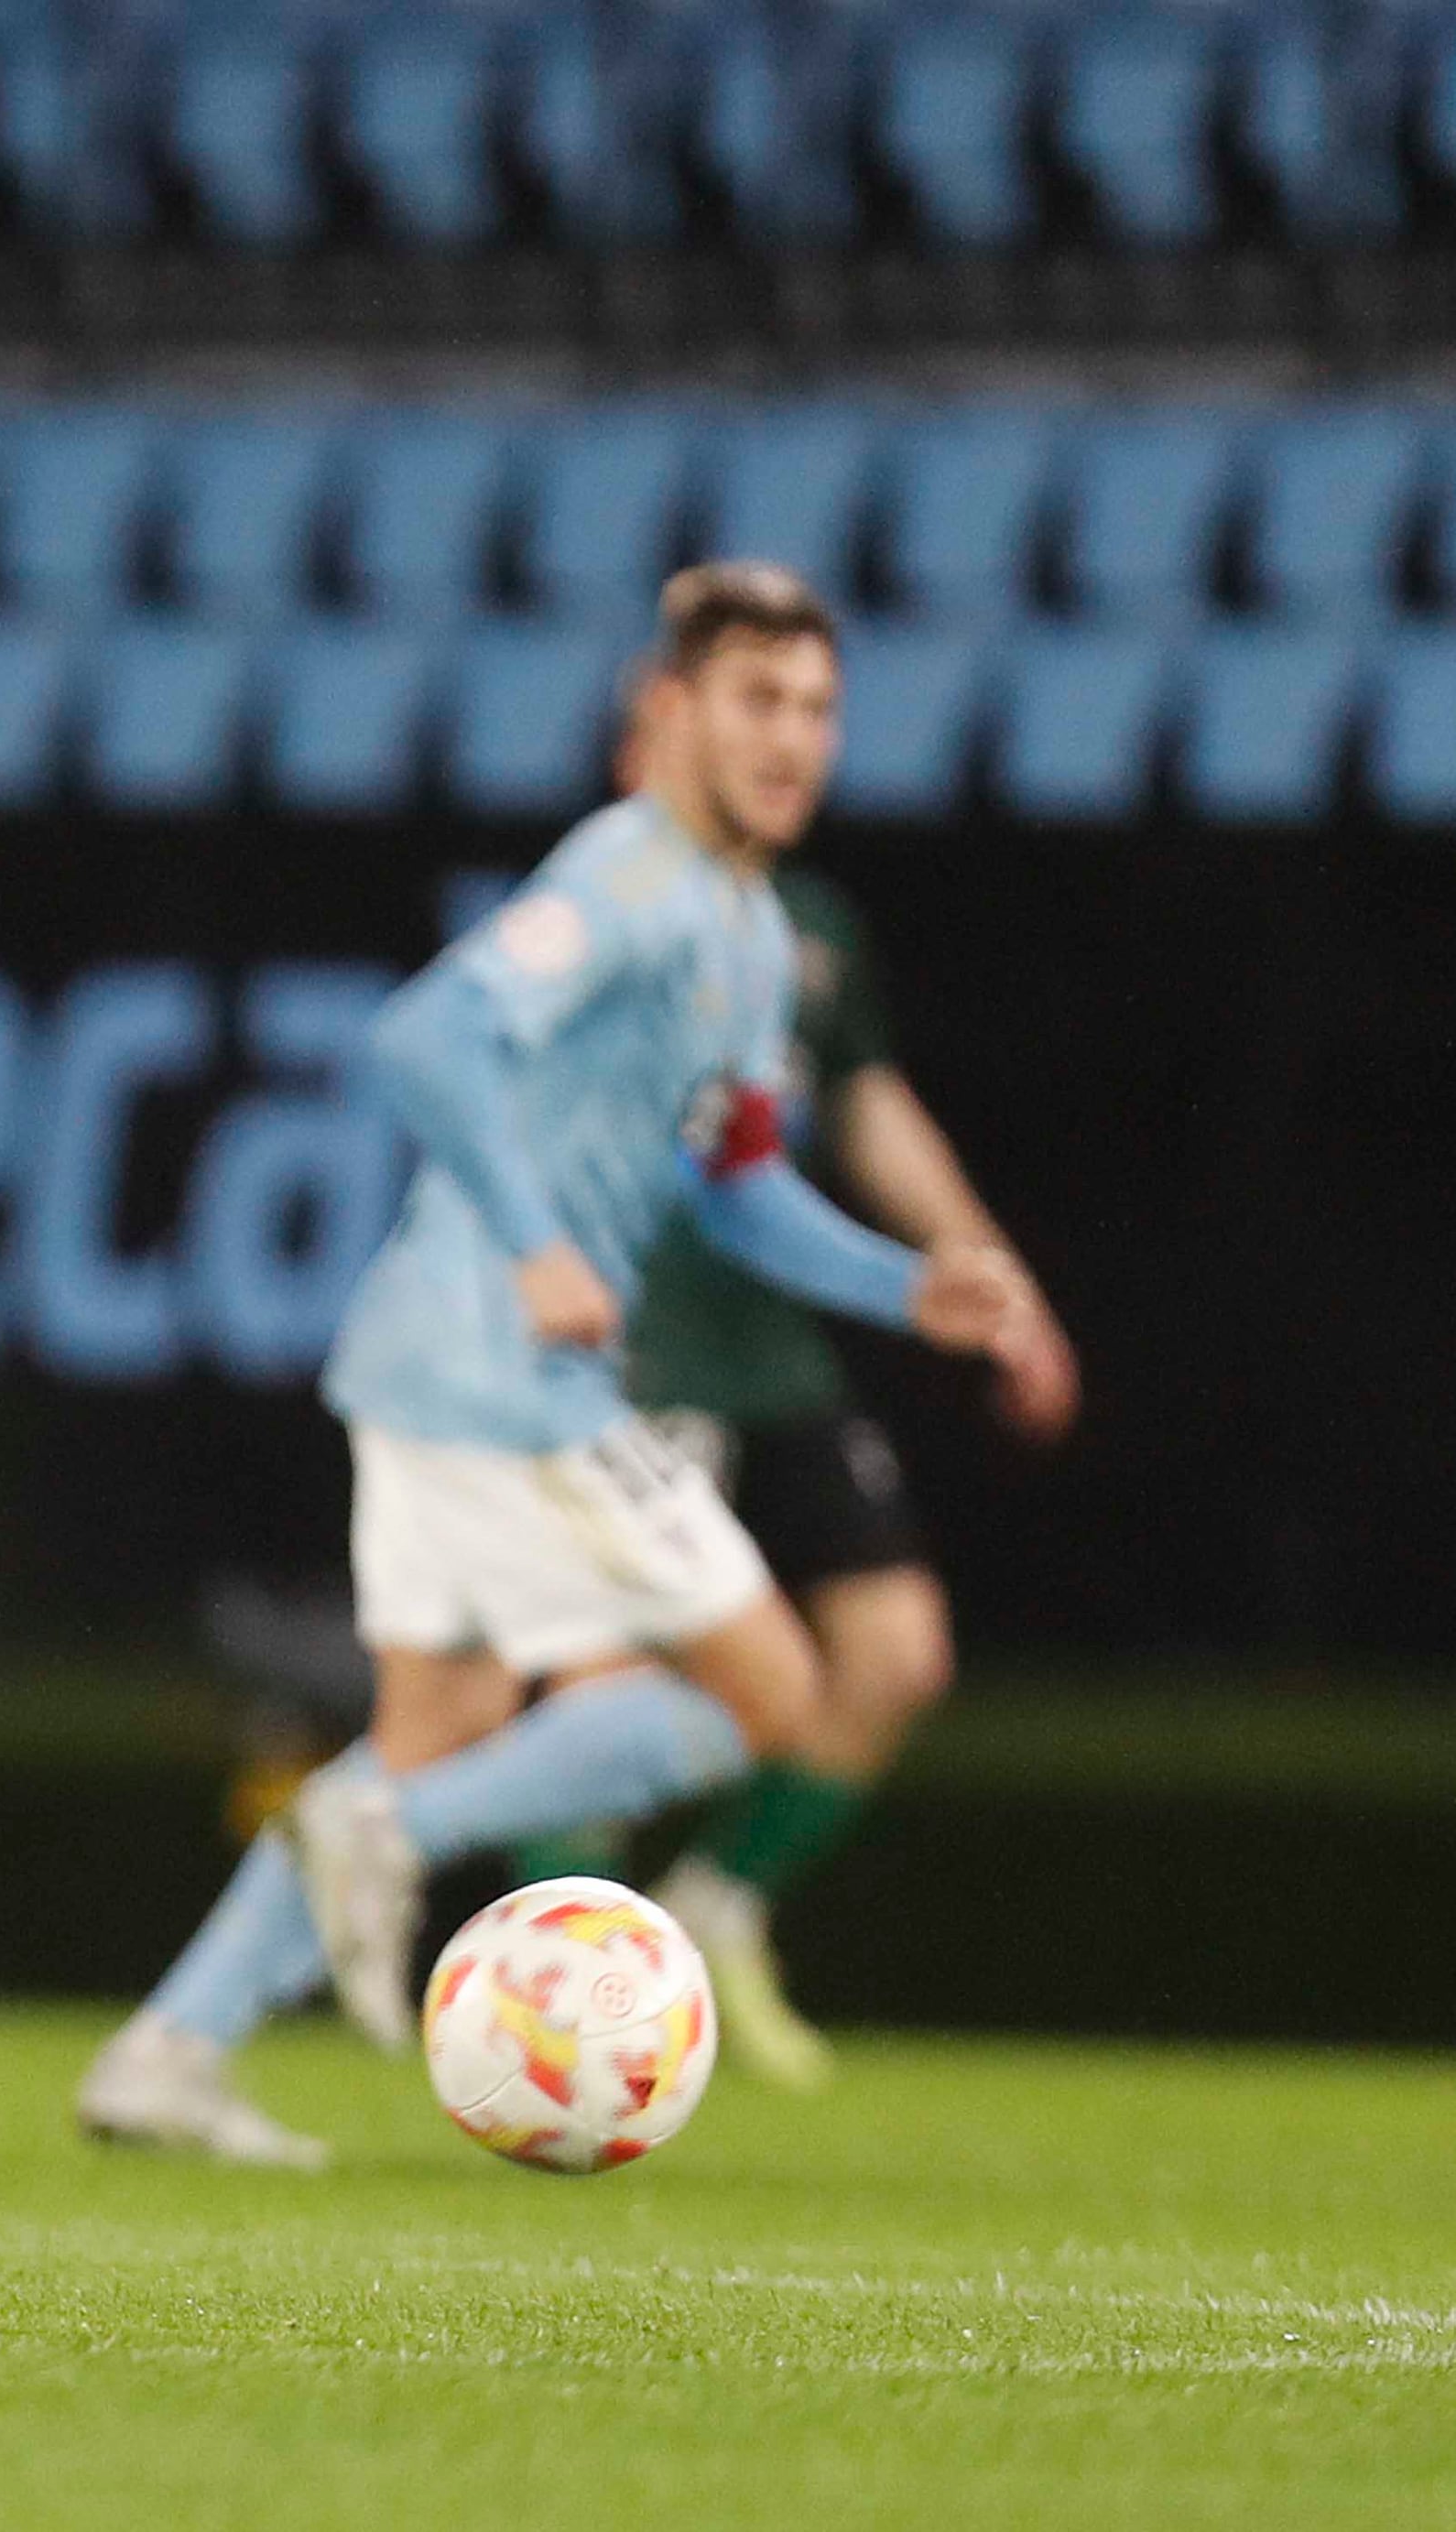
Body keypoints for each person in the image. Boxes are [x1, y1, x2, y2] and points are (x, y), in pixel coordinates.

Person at [72, 561, 1048, 2168]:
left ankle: (170, 2048)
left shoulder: (743, 932)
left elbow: (733, 1182)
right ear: (665, 714)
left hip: (428, 1370)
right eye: (756, 700)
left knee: (438, 1724)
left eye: (816, 708)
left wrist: (901, 1286)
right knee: (766, 1690)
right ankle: (376, 1832)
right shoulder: (627, 874)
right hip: (499, 1368)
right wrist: (535, 1238)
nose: (792, 738)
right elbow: (427, 1038)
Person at [589, 692, 1082, 2089]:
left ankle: (713, 1911)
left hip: (768, 1348)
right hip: (626, 1345)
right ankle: (569, 1981)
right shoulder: (588, 923)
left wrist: (980, 1272)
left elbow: (846, 1113)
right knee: (599, 1682)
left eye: (807, 716)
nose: (779, 745)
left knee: (893, 1653)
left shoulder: (797, 930)